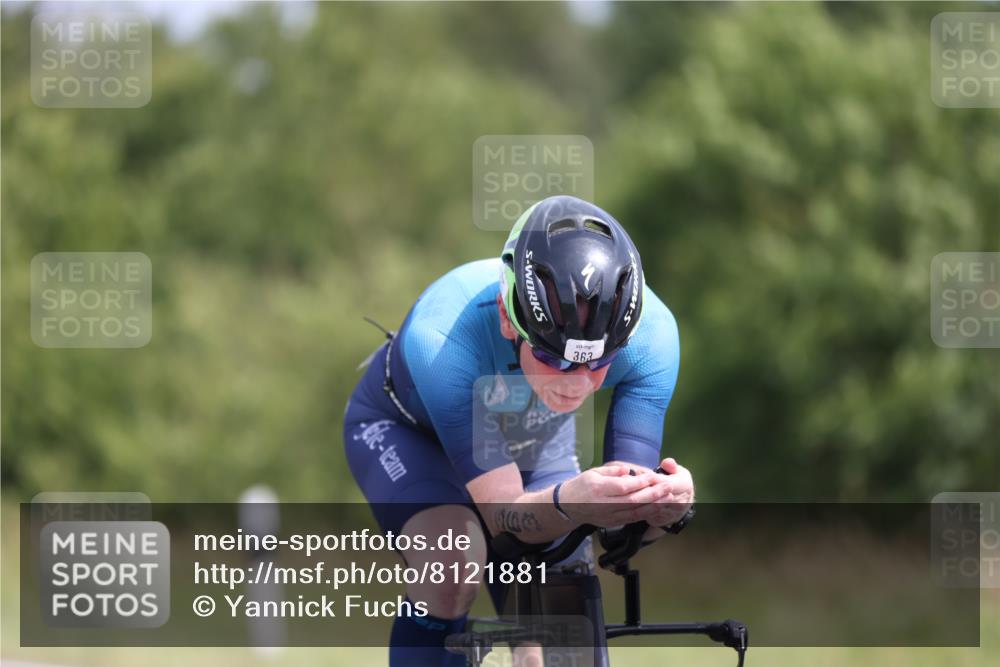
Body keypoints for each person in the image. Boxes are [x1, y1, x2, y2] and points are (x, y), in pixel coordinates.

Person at [343, 195, 693, 666]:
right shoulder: (443, 339)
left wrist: (664, 507)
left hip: (532, 436)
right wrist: (569, 502)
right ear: (509, 319)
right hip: (411, 433)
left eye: (598, 364)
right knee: (452, 565)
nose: (576, 384)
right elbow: (504, 517)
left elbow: (620, 533)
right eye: (553, 358)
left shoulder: (651, 338)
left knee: (560, 625)